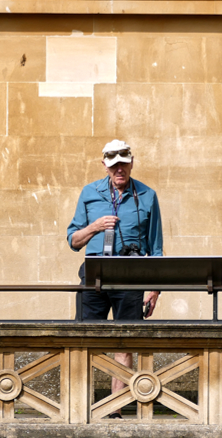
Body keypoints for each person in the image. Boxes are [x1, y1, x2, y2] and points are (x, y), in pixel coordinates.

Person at [67, 140, 163, 415]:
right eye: (113, 164)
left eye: (123, 163)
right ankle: (80, 406)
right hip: (94, 272)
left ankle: (115, 408)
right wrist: (95, 227)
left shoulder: (147, 195)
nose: (119, 169)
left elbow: (155, 247)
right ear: (105, 165)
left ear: (132, 162)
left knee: (125, 339)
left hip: (131, 274)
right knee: (85, 338)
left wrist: (154, 288)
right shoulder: (89, 193)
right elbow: (73, 241)